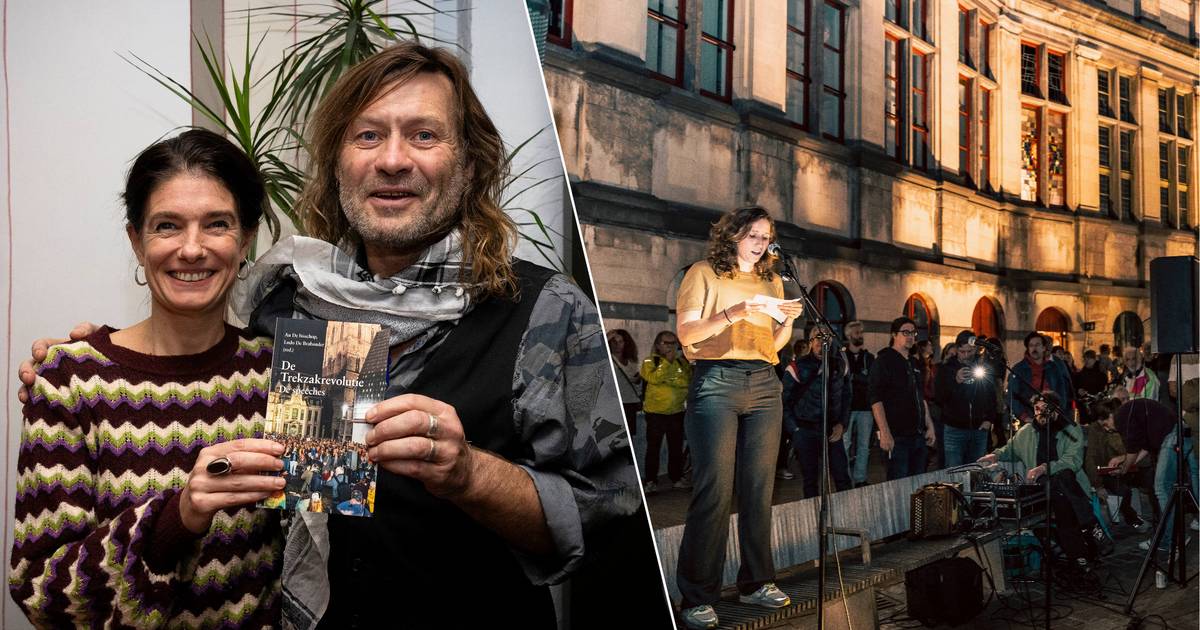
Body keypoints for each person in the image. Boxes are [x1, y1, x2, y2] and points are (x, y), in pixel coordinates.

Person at [18, 42, 653, 629]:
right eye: (368, 135)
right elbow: (190, 347)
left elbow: (617, 517)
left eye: (424, 135)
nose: (394, 159)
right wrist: (89, 360)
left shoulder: (548, 311)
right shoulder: (290, 301)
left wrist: (470, 474)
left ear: (469, 160)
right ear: (339, 160)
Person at [10, 130, 284, 627]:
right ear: (136, 241)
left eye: (217, 224)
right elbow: (41, 592)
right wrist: (177, 517)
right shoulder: (69, 381)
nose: (193, 248)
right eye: (167, 226)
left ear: (245, 240)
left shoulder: (280, 373)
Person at [673, 206, 804, 630]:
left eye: (765, 236)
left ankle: (756, 582)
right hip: (716, 381)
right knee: (715, 491)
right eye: (752, 234)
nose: (760, 243)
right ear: (731, 235)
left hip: (765, 381)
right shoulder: (703, 273)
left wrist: (785, 320)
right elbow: (688, 334)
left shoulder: (771, 278)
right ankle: (697, 595)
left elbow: (774, 344)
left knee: (758, 490)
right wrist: (734, 312)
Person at [978, 392, 1108, 568]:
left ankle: (1079, 558)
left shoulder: (1071, 429)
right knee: (1058, 488)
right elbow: (1010, 449)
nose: (1040, 413)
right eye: (1037, 409)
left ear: (1056, 410)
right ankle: (1090, 527)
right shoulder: (1027, 432)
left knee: (1062, 482)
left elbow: (1072, 461)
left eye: (1045, 409)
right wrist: (995, 455)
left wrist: (1044, 468)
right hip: (1044, 488)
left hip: (1069, 485)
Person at [1117, 398, 1199, 550]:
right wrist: (1126, 463)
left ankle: (1171, 541)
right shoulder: (1135, 412)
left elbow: (1132, 452)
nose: (1109, 429)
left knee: (1162, 489)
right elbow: (1144, 449)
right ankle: (1171, 538)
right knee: (1190, 479)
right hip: (1181, 430)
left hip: (1173, 436)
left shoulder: (1121, 417)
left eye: (1105, 425)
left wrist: (1123, 469)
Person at [783, 328, 852, 498]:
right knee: (810, 480)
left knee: (842, 476)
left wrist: (842, 425)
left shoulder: (840, 365)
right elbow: (784, 402)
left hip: (832, 430)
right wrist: (795, 430)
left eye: (827, 337)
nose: (822, 342)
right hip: (805, 430)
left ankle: (847, 517)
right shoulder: (796, 367)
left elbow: (847, 397)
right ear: (811, 341)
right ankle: (814, 520)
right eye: (818, 338)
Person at [869, 317, 937, 480]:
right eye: (905, 332)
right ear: (894, 334)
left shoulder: (914, 363)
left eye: (913, 333)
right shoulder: (884, 361)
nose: (910, 336)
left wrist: (930, 425)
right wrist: (884, 432)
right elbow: (875, 399)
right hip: (897, 437)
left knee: (917, 486)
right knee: (898, 486)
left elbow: (921, 397)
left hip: (918, 436)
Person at [935, 331, 998, 467]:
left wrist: (989, 419)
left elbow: (991, 396)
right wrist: (955, 381)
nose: (966, 355)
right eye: (962, 352)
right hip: (954, 429)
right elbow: (939, 397)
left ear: (975, 349)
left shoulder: (983, 367)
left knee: (977, 471)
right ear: (957, 349)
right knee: (954, 471)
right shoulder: (946, 369)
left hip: (979, 429)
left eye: (969, 351)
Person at [640, 330, 692, 493]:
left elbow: (686, 382)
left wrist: (668, 378)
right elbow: (653, 378)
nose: (670, 347)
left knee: (675, 448)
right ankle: (650, 481)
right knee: (653, 448)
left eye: (673, 343)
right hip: (655, 413)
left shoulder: (683, 363)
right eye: (665, 343)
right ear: (657, 345)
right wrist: (667, 364)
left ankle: (676, 478)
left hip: (676, 413)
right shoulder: (650, 361)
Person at [1085, 398, 1146, 529]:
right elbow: (1091, 458)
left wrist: (1122, 457)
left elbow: (1138, 449)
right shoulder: (1095, 430)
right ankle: (1133, 519)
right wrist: (1097, 485)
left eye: (1107, 423)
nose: (1106, 428)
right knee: (1123, 490)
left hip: (1131, 465)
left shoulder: (1124, 424)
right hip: (1108, 472)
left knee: (1151, 481)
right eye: (1103, 425)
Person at [1008, 332, 1075, 424]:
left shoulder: (1054, 368)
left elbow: (1062, 391)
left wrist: (1059, 413)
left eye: (1037, 345)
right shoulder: (1019, 369)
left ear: (1044, 348)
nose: (1034, 348)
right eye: (1031, 345)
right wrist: (1024, 417)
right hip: (1030, 418)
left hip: (1052, 418)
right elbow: (1012, 395)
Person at [842, 321, 875, 487]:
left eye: (861, 333)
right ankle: (845, 478)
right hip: (847, 408)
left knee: (863, 445)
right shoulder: (842, 357)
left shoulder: (868, 357)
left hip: (866, 407)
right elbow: (843, 379)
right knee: (845, 444)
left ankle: (860, 478)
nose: (860, 336)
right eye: (856, 333)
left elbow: (871, 380)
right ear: (849, 336)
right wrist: (860, 377)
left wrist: (856, 378)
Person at [608, 328, 644, 434]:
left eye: (620, 342)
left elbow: (636, 382)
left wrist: (638, 379)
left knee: (629, 435)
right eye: (613, 342)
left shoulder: (631, 361)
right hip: (615, 403)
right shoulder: (608, 358)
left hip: (630, 403)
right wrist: (606, 337)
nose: (617, 345)